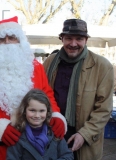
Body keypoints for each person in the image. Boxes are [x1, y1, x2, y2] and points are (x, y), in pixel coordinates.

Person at [0, 16, 67, 160]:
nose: (7, 42)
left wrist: (55, 115)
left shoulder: (35, 67)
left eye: (12, 37)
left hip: (29, 149)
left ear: (20, 40)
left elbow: (46, 95)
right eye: (1, 39)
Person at [43, 19, 114, 160]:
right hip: (51, 134)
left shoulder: (102, 66)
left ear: (86, 40)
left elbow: (104, 109)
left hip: (82, 138)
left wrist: (84, 134)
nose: (73, 44)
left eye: (79, 39)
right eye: (68, 38)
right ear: (62, 39)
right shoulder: (50, 62)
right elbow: (40, 95)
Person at [7, 89, 73, 160]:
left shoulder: (54, 132)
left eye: (41, 111)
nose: (37, 115)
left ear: (47, 111)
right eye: (32, 110)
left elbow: (68, 156)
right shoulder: (17, 135)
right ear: (24, 110)